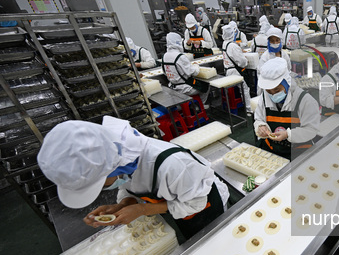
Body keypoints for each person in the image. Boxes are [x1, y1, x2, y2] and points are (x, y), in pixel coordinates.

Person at [37, 116, 229, 240]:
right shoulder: (122, 159)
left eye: (99, 185)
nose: (103, 189)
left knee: (214, 240)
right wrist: (124, 204)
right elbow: (128, 185)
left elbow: (196, 203)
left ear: (110, 168)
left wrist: (142, 209)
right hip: (181, 211)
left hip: (206, 208)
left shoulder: (175, 166)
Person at [254, 58, 319, 160]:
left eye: (277, 89)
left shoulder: (304, 100)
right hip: (272, 150)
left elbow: (310, 130)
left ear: (286, 83)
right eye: (269, 91)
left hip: (298, 152)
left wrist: (287, 134)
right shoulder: (264, 97)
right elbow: (258, 118)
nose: (273, 94)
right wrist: (261, 126)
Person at [162, 33, 209, 103]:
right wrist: (196, 66)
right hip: (184, 88)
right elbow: (194, 72)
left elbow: (165, 72)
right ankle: (201, 105)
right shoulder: (180, 56)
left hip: (172, 86)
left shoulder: (165, 56)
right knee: (206, 86)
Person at [221, 24, 252, 113]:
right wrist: (246, 61)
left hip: (228, 71)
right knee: (245, 88)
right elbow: (241, 62)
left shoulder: (225, 43)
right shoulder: (233, 46)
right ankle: (248, 109)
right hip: (235, 72)